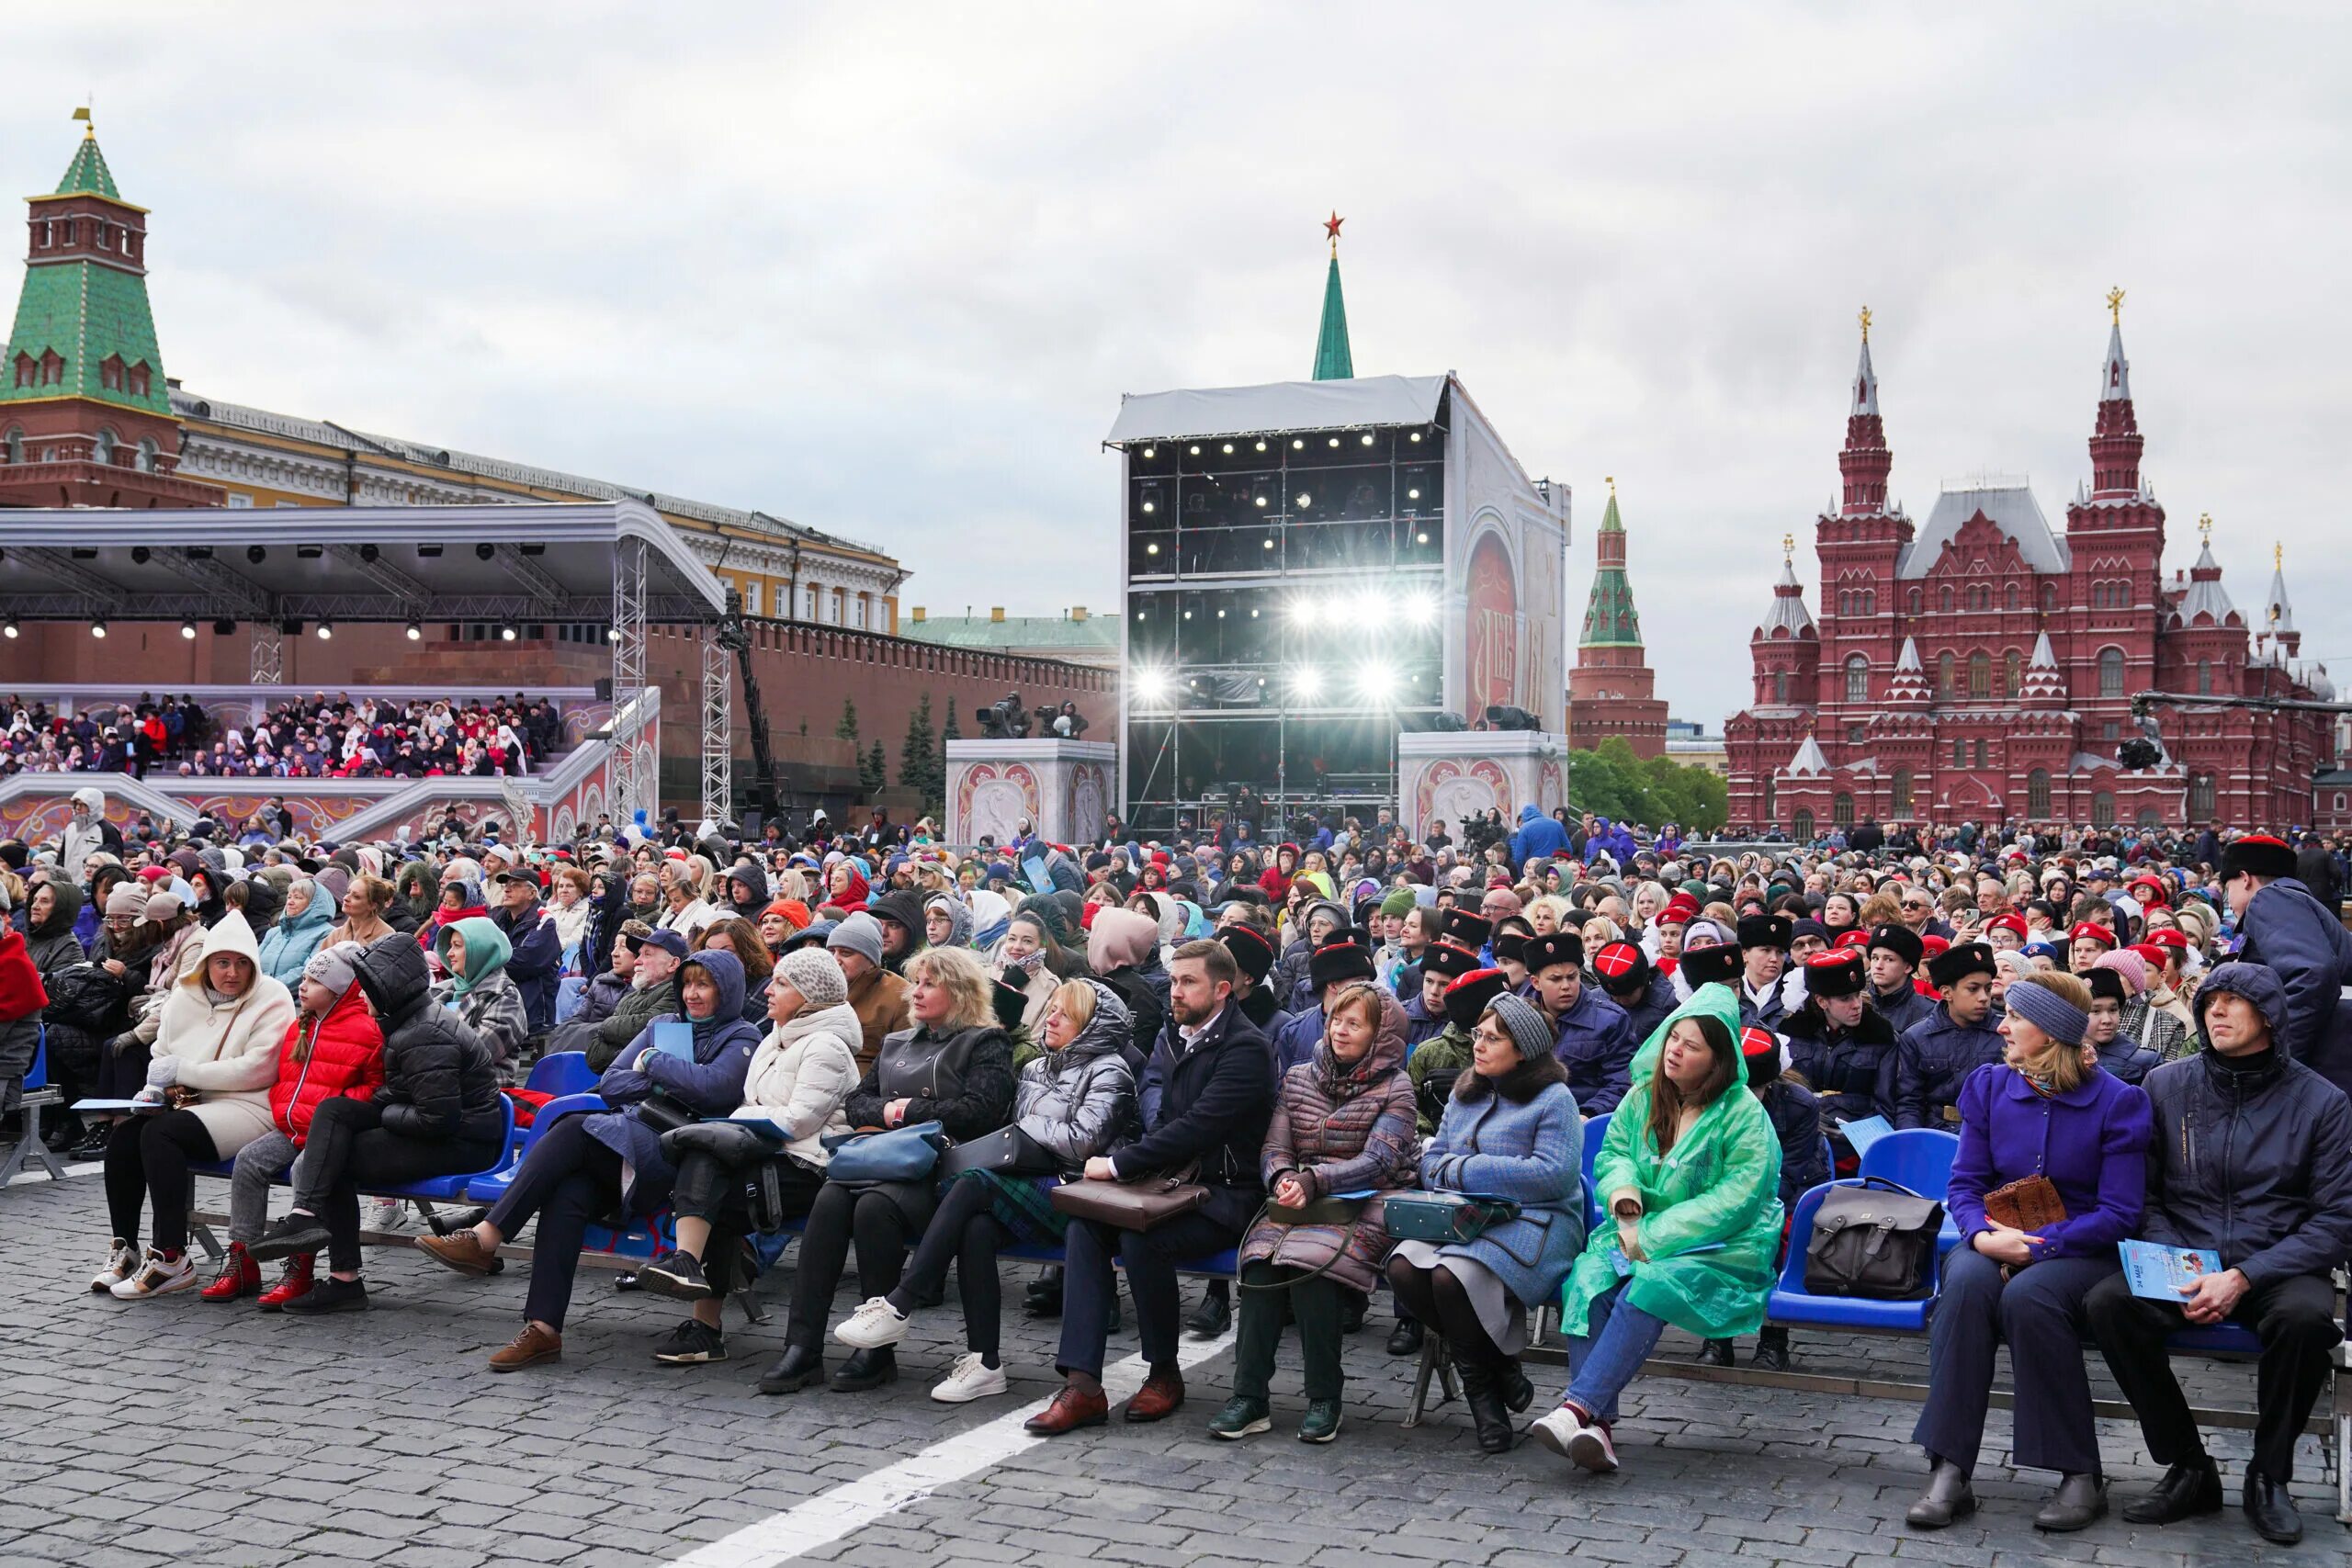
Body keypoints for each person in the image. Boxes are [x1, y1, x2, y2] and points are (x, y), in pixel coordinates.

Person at [2085, 962, 2352, 1546]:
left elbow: (2336, 1219)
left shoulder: (2323, 1102)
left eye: (2234, 1001)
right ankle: (2188, 1466)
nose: (2217, 1011)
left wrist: (2243, 1276)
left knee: (2306, 1319)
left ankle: (2269, 1474)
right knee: (2109, 1303)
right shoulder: (2166, 1084)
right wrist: (2188, 1266)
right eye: (2210, 1001)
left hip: (2277, 1262)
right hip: (2186, 1254)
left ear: (2271, 1016)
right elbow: (2144, 1191)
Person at [415, 948, 760, 1369]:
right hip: (626, 1140)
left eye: (703, 985)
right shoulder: (662, 1023)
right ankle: (544, 1330)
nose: (692, 994)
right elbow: (613, 1081)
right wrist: (661, 1085)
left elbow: (715, 1090)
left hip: (676, 1156)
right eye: (687, 983)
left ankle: (486, 1237)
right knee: (567, 1193)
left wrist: (652, 1063)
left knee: (575, 1126)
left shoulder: (741, 1036)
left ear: (727, 990)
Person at [1905, 971, 2154, 1533]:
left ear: (2052, 1029)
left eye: (2015, 1016)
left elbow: (2120, 1212)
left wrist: (2041, 1246)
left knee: (2032, 1299)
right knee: (1965, 1284)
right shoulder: (1991, 1087)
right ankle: (1949, 1468)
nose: (2002, 1025)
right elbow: (1965, 1184)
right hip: (1997, 1237)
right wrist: (1981, 1235)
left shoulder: (2119, 1102)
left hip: (2082, 1247)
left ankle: (2078, 1472)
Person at [831, 978, 1136, 1404]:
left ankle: (901, 1302)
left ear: (1090, 1025)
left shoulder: (1109, 1069)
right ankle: (985, 1363)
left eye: (1065, 1014)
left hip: (1081, 1192)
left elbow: (1083, 1142)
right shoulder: (1034, 1068)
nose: (1050, 1017)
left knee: (975, 1185)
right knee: (976, 1227)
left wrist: (1023, 1129)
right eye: (1052, 1008)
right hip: (1033, 1183)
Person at [1024, 940, 1275, 1436]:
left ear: (1223, 990)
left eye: (1188, 983)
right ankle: (1083, 1386)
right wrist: (1149, 1148)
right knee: (1085, 1226)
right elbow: (1155, 1096)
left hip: (1224, 1194)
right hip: (1165, 1182)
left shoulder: (1247, 1048)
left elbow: (1202, 1126)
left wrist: (1118, 1164)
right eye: (1174, 980)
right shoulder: (1172, 1033)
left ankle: (1164, 1373)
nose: (1175, 992)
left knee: (1144, 1240)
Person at [1534, 998, 1782, 1474]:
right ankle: (1596, 1429)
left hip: (1722, 1246)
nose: (1674, 1052)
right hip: (1634, 1227)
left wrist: (1652, 1234)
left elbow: (1737, 1200)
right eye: (1673, 1037)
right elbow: (1613, 1154)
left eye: (1691, 1046)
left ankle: (1576, 1408)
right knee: (1587, 1279)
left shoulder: (1744, 1113)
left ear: (1718, 1058)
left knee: (1650, 1285)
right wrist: (1624, 1193)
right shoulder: (1644, 1094)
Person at [758, 945, 1015, 1393]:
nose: (915, 992)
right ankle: (802, 1348)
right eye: (915, 981)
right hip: (883, 1159)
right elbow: (857, 1103)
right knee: (832, 1198)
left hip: (944, 1172)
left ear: (959, 992)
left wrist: (903, 1110)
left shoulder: (985, 1042)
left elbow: (983, 1110)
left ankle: (876, 1352)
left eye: (929, 983)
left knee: (874, 1207)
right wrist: (907, 1113)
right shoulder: (899, 1043)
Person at [244, 934, 509, 1313]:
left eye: (368, 989)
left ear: (388, 992)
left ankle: (345, 1281)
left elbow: (437, 1118)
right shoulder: (408, 1021)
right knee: (335, 1110)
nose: (361, 996)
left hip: (463, 1141)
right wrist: (374, 1108)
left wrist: (380, 1113)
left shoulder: (423, 1031)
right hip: (436, 1126)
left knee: (340, 1159)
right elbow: (404, 1092)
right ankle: (304, 1215)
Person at [633, 945, 865, 1366]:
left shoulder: (827, 1046)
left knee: (712, 1186)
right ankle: (693, 1290)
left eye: (782, 984)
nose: (770, 991)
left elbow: (795, 1123)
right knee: (706, 1159)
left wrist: (746, 1116)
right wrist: (747, 1117)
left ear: (810, 996)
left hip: (807, 1167)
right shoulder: (775, 1039)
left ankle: (702, 1315)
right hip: (766, 1154)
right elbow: (755, 1111)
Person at [1213, 980, 1416, 1444]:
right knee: (1260, 1266)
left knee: (1311, 1268)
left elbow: (1381, 1160)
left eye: (1355, 1024)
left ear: (1380, 1034)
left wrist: (1315, 1180)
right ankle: (1249, 1397)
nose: (1340, 1031)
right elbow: (1275, 1144)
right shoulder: (1299, 1076)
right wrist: (1281, 1177)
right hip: (1301, 1198)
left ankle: (1325, 1396)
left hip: (1368, 1199)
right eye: (1336, 1019)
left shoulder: (1396, 1086)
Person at [1386, 988, 1581, 1453]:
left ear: (1523, 1052)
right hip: (1464, 1217)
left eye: (1493, 1039)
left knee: (1451, 1279)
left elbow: (1553, 1176)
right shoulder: (1466, 1091)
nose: (1479, 1045)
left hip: (1539, 1222)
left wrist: (1464, 1169)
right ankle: (1501, 1367)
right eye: (1479, 1034)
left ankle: (1484, 1405)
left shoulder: (1555, 1099)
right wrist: (1453, 1169)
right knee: (1401, 1267)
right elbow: (1429, 1164)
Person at [91, 911, 298, 1300]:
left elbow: (257, 1068)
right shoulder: (185, 995)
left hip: (247, 1106)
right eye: (222, 962)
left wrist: (182, 1071)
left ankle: (170, 1255)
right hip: (186, 1101)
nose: (232, 973)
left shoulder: (272, 996)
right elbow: (161, 1051)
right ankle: (125, 1246)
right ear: (207, 964)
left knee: (160, 1134)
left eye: (241, 964)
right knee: (125, 1136)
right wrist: (155, 1087)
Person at [199, 942, 385, 1306]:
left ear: (337, 990)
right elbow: (286, 1080)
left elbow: (376, 1088)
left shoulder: (365, 1030)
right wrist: (285, 1107)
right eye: (303, 978)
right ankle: (242, 1259)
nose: (302, 987)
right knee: (250, 1160)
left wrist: (336, 1109)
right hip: (292, 1127)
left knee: (307, 1172)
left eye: (314, 981)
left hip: (327, 1135)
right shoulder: (298, 1029)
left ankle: (300, 1266)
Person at [2218, 835, 2352, 1099]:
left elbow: (2311, 974)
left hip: (2323, 1068)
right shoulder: (2295, 901)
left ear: (2244, 878)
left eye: (2227, 887)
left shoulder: (2270, 899)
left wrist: (2276, 1060)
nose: (2228, 899)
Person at [1887, 942, 2005, 1129]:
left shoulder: (2005, 1033)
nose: (1983, 997)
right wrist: (1912, 1143)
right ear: (1946, 993)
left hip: (1991, 1131)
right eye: (1973, 989)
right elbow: (1909, 1102)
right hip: (1935, 1132)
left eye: (1988, 989)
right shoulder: (1917, 1037)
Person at [1782, 949, 1898, 1134]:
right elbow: (1783, 1093)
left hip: (1857, 1138)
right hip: (1803, 1132)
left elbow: (1885, 1103)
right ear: (1822, 1002)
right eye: (1845, 999)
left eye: (1857, 995)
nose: (1856, 1005)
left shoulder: (1880, 1036)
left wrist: (1853, 1133)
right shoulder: (1793, 1032)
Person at [1523, 932, 1635, 1115]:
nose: (1566, 986)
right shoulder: (1519, 1019)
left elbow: (1620, 1083)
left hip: (1586, 1119)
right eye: (1556, 979)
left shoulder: (1611, 1020)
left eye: (1572, 977)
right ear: (1536, 983)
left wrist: (1588, 1114)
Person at [429, 916, 531, 1077]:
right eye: (450, 946)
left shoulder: (506, 998)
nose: (449, 953)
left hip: (482, 1093)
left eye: (457, 946)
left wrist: (419, 1053)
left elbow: (475, 1053)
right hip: (432, 1084)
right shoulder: (438, 992)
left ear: (480, 950)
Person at [827, 912, 910, 1070]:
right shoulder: (815, 990)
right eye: (832, 952)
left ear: (871, 962)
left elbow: (903, 1063)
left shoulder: (900, 996)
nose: (835, 960)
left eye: (846, 953)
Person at [255, 876, 335, 993]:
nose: (290, 902)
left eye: (297, 897)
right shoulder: (274, 932)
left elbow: (307, 971)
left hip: (296, 1004)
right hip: (260, 996)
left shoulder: (327, 933)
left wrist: (267, 989)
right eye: (289, 897)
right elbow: (255, 966)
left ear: (313, 904)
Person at [2083, 968, 2161, 1084]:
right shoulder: (2059, 1056)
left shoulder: (2147, 1061)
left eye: (2113, 1010)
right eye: (2095, 1011)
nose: (2107, 1020)